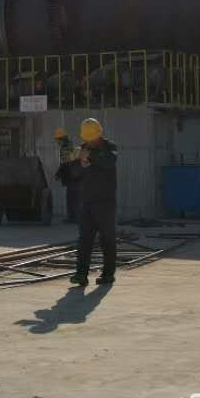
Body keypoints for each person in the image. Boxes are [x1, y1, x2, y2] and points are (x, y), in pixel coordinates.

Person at [62, 118, 118, 287]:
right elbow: (75, 173)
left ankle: (108, 275)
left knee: (107, 239)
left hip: (105, 202)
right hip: (87, 201)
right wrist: (80, 164)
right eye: (87, 139)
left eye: (91, 138)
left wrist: (90, 156)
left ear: (99, 134)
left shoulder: (110, 147)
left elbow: (109, 162)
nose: (89, 142)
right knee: (84, 239)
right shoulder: (83, 149)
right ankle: (81, 275)